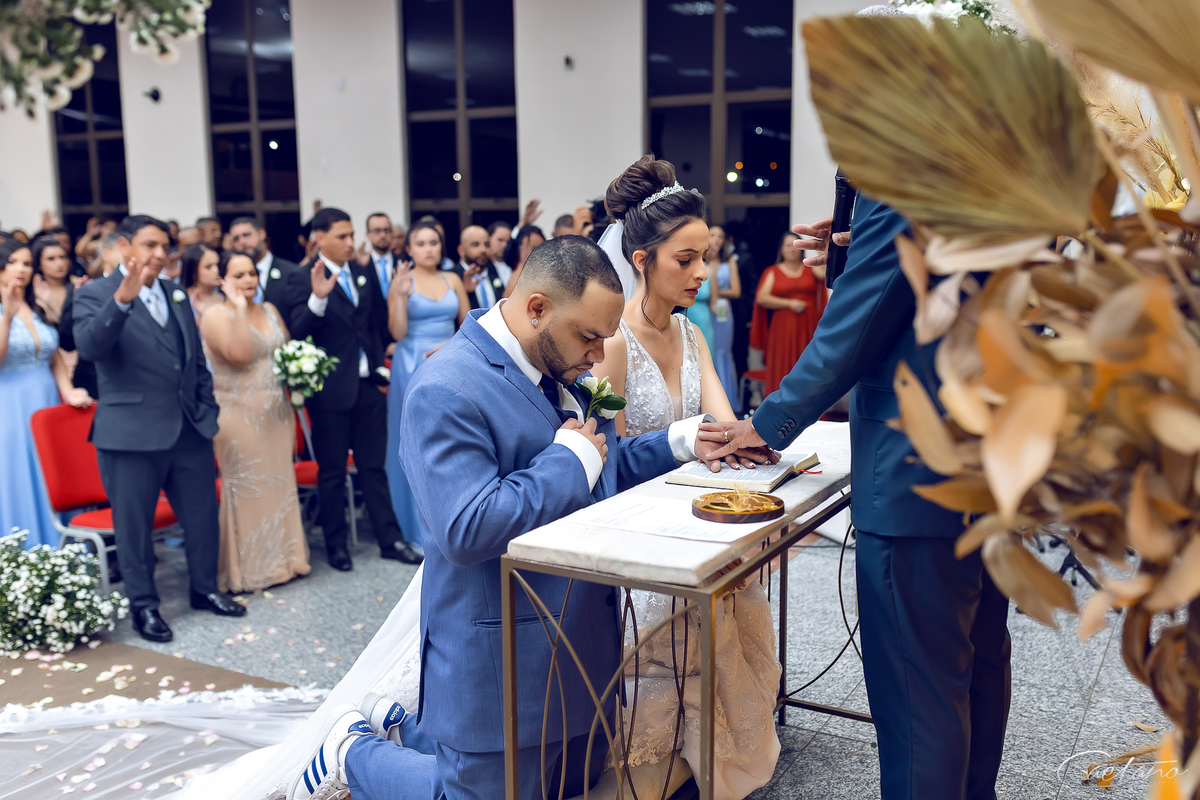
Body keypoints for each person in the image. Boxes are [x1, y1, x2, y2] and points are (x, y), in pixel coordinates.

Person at [284, 233, 770, 800]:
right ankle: (353, 752)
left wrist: (680, 440)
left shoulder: (558, 362)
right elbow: (467, 527)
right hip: (502, 661)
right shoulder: (446, 387)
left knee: (566, 789)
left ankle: (406, 728)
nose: (598, 357)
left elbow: (601, 465)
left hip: (585, 651)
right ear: (537, 308)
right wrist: (567, 460)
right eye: (588, 337)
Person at [700, 204, 1013, 800]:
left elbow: (863, 313)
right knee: (977, 661)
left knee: (919, 698)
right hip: (994, 446)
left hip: (915, 460)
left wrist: (769, 421)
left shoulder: (901, 164)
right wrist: (857, 243)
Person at [591, 155, 780, 798]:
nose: (702, 272)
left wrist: (749, 438)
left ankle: (701, 759)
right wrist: (696, 443)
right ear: (640, 259)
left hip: (698, 522)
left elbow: (726, 426)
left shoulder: (692, 333)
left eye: (705, 256)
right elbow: (610, 461)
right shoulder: (614, 344)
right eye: (686, 259)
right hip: (641, 538)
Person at [72, 215, 245, 643]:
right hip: (130, 434)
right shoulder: (94, 293)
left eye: (164, 246)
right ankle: (144, 607)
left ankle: (205, 589)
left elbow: (194, 360)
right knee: (134, 527)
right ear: (124, 246)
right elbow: (90, 348)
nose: (158, 253)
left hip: (188, 428)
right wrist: (121, 301)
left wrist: (206, 412)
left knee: (202, 518)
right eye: (149, 244)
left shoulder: (175, 294)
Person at [286, 207, 420, 570]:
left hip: (368, 386)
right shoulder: (300, 278)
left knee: (373, 467)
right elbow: (297, 332)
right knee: (332, 472)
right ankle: (336, 547)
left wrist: (378, 366)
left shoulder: (361, 272)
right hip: (330, 391)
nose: (350, 242)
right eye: (342, 236)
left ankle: (390, 540)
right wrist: (318, 299)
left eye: (351, 235)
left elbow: (373, 325)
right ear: (320, 238)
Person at [200, 250, 311, 593]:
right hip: (238, 415)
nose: (248, 280)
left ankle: (287, 561)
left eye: (252, 273)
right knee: (249, 487)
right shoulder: (214, 315)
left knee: (278, 484)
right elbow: (240, 355)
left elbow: (287, 350)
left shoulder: (270, 310)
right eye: (238, 275)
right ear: (222, 281)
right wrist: (238, 308)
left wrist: (301, 370)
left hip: (277, 413)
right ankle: (249, 570)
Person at [384, 221, 469, 551]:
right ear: (408, 249)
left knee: (451, 436)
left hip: (451, 360)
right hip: (412, 363)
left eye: (433, 242)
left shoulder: (453, 279)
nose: (428, 249)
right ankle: (414, 526)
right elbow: (397, 332)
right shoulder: (401, 280)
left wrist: (451, 347)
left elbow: (469, 325)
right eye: (420, 243)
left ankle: (453, 517)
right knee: (413, 440)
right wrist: (400, 294)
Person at [0, 240, 90, 549]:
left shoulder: (35, 305)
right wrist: (7, 316)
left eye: (27, 263)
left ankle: (66, 554)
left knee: (55, 472)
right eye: (13, 262)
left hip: (48, 402)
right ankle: (30, 556)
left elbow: (52, 355)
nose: (22, 269)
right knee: (22, 475)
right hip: (11, 407)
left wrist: (68, 391)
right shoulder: (6, 309)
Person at [751, 231, 827, 396]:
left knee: (808, 365)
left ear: (801, 248)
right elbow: (761, 298)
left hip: (808, 327)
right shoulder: (772, 271)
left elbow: (824, 275)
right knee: (782, 365)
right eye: (787, 245)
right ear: (781, 249)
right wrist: (789, 304)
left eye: (795, 245)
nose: (792, 249)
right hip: (782, 330)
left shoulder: (810, 268)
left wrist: (821, 251)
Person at [228, 215, 301, 314]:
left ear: (261, 234)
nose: (242, 242)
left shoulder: (291, 272)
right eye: (236, 239)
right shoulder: (229, 277)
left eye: (246, 235)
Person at [707, 223, 741, 412]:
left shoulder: (729, 262)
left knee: (721, 352)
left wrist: (714, 291)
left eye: (720, 236)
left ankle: (725, 401)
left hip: (722, 310)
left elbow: (736, 291)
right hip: (702, 309)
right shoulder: (700, 260)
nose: (716, 240)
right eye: (713, 235)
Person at [450, 225, 506, 310]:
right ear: (461, 250)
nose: (483, 250)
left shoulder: (495, 271)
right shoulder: (452, 277)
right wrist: (465, 292)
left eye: (487, 245)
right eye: (475, 245)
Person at [30, 235, 72, 325]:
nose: (59, 263)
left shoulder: (77, 286)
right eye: (51, 259)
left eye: (62, 257)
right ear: (39, 264)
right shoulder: (33, 292)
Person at [180, 243, 224, 322]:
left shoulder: (223, 297)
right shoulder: (182, 299)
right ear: (193, 271)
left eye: (217, 265)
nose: (216, 270)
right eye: (208, 267)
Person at [500, 224, 545, 298]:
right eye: (534, 249)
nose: (539, 253)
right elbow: (507, 298)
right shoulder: (508, 271)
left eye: (542, 248)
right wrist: (523, 263)